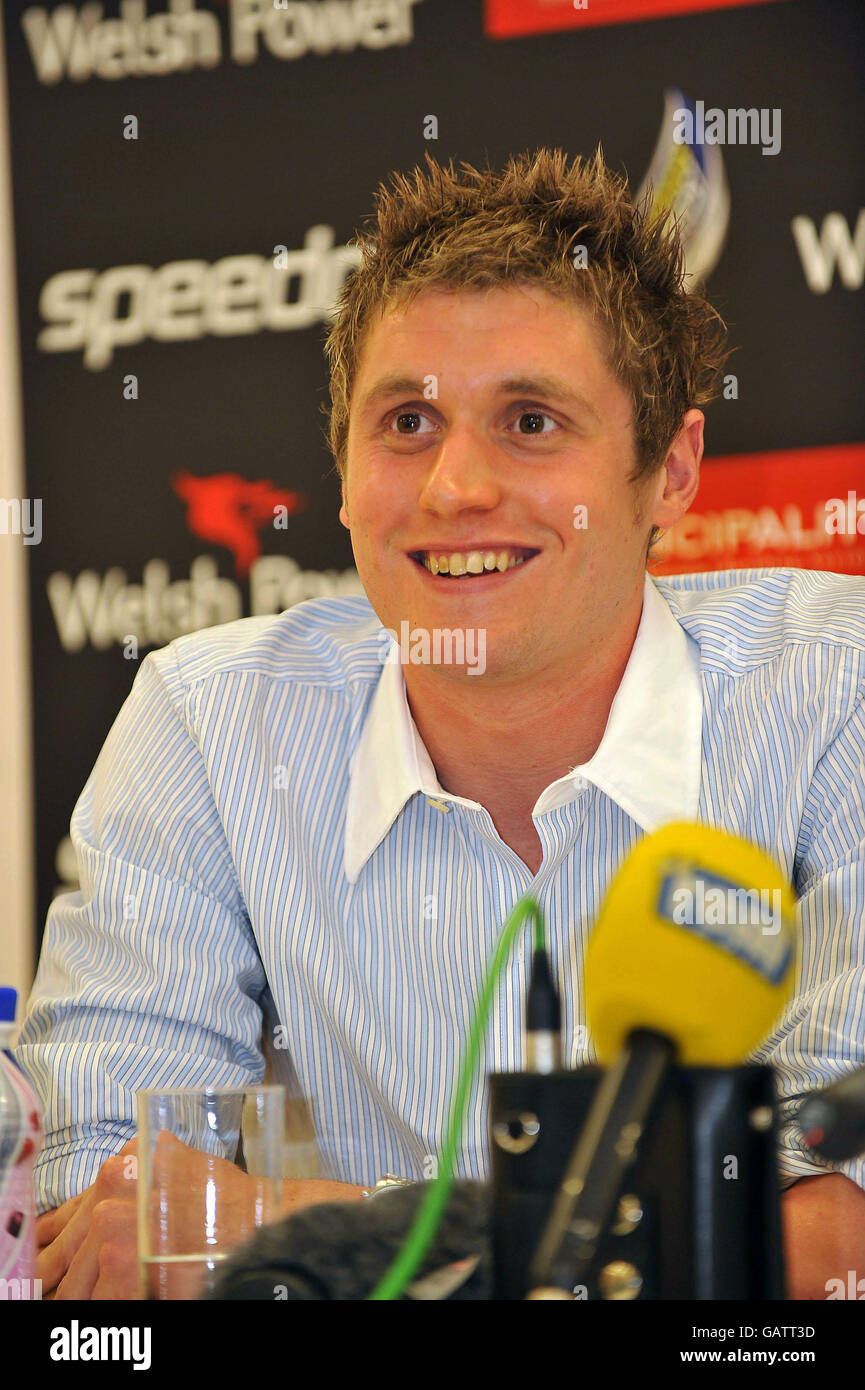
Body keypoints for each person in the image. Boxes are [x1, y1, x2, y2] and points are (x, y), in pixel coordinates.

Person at [17, 149, 865, 1300]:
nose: (454, 486)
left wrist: (310, 1230)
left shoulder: (834, 687)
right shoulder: (207, 724)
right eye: (407, 420)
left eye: (529, 419)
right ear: (343, 467)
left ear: (669, 468)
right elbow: (94, 1223)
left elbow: (834, 1250)